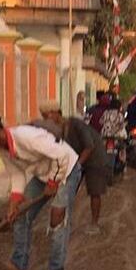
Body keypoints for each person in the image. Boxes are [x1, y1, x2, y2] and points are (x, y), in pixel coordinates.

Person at [0, 111, 80, 270]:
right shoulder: (1, 148)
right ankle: (18, 264)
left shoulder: (27, 137)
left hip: (67, 169)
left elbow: (62, 156)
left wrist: (54, 182)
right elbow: (17, 174)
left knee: (57, 218)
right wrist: (13, 204)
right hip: (43, 174)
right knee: (21, 215)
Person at [37, 100, 109, 236]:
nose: (45, 120)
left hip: (95, 157)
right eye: (44, 116)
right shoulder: (54, 130)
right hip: (74, 159)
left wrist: (77, 166)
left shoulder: (75, 124)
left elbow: (89, 146)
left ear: (56, 113)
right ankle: (65, 222)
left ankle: (94, 223)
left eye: (47, 116)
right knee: (68, 190)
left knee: (95, 190)